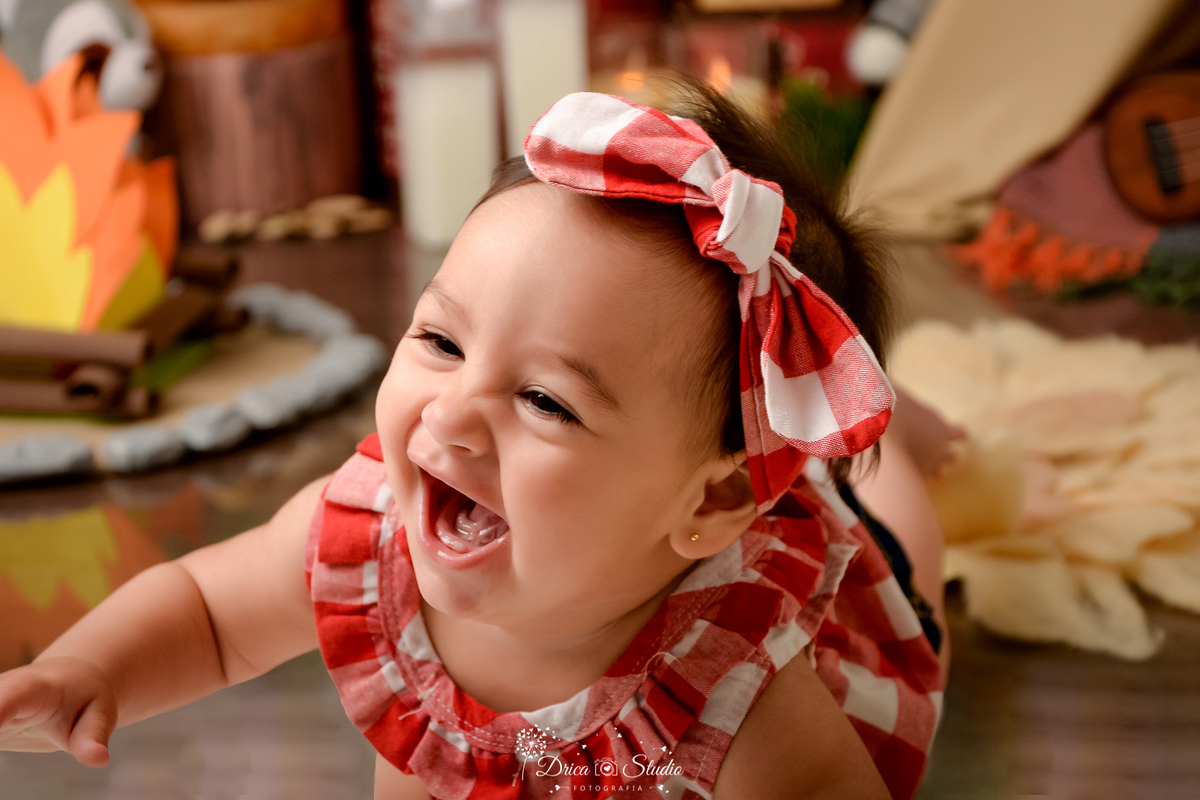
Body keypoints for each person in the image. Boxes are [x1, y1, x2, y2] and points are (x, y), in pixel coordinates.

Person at [0, 86, 951, 799]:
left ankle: (881, 423)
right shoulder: (373, 533)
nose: (451, 416)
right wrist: (89, 672)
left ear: (708, 502)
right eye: (442, 342)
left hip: (830, 593)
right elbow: (209, 614)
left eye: (543, 400)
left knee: (891, 509)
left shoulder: (749, 699)